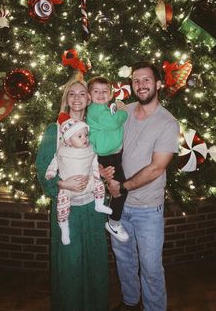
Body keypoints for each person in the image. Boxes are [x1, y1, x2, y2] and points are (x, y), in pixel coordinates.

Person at [103, 62, 180, 311]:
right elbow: (109, 146)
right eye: (136, 80)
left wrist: (122, 187)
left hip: (148, 209)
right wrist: (105, 171)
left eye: (146, 80)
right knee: (124, 260)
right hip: (120, 207)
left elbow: (157, 168)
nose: (141, 85)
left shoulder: (168, 123)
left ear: (158, 84)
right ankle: (129, 302)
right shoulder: (124, 112)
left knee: (150, 267)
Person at [36, 75, 109, 311]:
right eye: (71, 94)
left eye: (81, 93)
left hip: (92, 207)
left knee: (95, 261)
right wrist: (62, 184)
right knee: (70, 262)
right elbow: (42, 170)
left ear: (89, 98)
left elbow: (103, 160)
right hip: (66, 208)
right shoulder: (53, 130)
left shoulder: (95, 128)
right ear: (66, 99)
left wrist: (105, 171)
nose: (76, 98)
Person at [45, 117, 112, 245]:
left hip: (88, 184)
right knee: (62, 203)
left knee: (98, 185)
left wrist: (96, 176)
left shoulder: (90, 149)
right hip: (67, 189)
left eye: (86, 135)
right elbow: (55, 162)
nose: (85, 138)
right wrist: (51, 172)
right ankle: (64, 227)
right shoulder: (63, 151)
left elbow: (94, 163)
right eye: (79, 136)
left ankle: (99, 204)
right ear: (69, 140)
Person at [87, 76, 129, 242]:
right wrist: (123, 112)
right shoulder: (96, 109)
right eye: (96, 91)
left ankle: (109, 211)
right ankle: (114, 223)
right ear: (89, 95)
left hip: (114, 154)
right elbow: (113, 123)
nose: (101, 94)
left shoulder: (105, 108)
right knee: (121, 190)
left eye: (105, 91)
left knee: (117, 187)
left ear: (111, 94)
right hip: (107, 156)